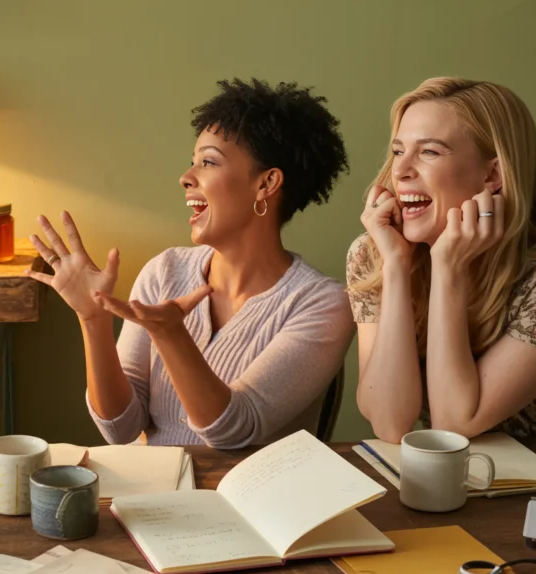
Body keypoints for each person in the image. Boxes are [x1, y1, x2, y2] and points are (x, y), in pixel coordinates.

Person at [27, 78, 354, 449]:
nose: (186, 178)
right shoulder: (165, 271)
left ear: (266, 184)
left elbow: (233, 430)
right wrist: (93, 319)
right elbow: (120, 429)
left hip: (244, 504)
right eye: (192, 163)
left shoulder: (323, 305)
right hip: (154, 499)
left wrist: (171, 336)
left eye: (208, 162)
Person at [348, 77, 536, 442]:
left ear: (492, 175)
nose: (401, 170)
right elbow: (390, 424)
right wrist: (395, 268)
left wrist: (449, 268)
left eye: (429, 152)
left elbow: (455, 422)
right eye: (397, 150)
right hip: (438, 478)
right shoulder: (374, 254)